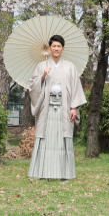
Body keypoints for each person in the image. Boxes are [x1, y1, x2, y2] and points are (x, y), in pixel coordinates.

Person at [27, 34, 86, 180]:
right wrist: (42, 76)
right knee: (46, 138)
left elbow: (76, 87)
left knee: (62, 138)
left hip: (64, 107)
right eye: (54, 46)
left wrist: (74, 107)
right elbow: (32, 86)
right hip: (47, 107)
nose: (56, 48)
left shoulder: (70, 67)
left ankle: (64, 174)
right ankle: (43, 173)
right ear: (49, 47)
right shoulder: (42, 66)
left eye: (59, 46)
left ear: (63, 48)